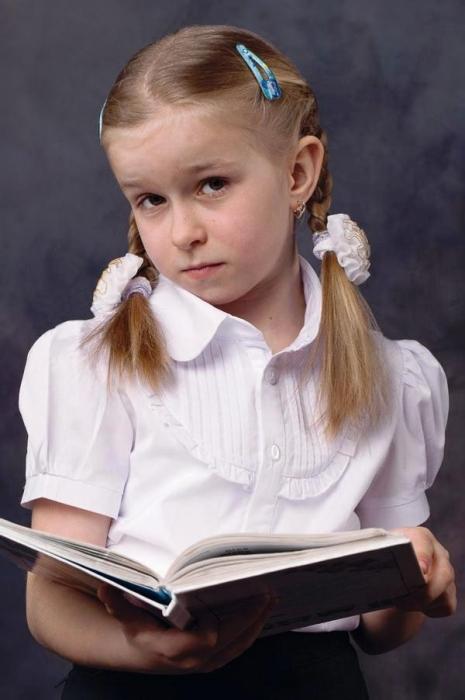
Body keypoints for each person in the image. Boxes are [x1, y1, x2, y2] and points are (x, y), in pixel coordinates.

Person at [19, 24, 456, 699]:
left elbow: (379, 630)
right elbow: (51, 602)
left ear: (296, 174)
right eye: (150, 200)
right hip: (132, 679)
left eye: (212, 184)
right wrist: (145, 651)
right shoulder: (97, 364)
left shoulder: (389, 378)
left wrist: (414, 585)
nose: (182, 231)